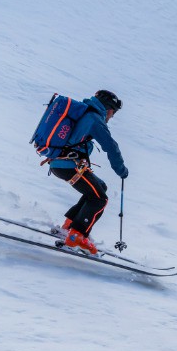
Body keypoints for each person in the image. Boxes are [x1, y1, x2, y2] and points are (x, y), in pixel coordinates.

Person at [48, 90, 129, 254]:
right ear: (109, 109)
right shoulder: (95, 120)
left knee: (100, 187)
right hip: (67, 166)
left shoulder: (85, 112)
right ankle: (76, 236)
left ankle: (69, 226)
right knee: (99, 199)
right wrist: (121, 170)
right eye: (112, 113)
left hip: (61, 163)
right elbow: (111, 147)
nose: (111, 117)